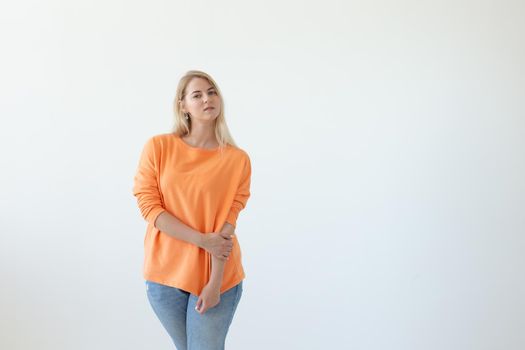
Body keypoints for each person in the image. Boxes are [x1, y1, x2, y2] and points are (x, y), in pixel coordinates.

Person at [132, 70, 252, 350]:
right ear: (182, 105)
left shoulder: (237, 160)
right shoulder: (158, 147)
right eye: (196, 95)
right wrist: (201, 240)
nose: (207, 99)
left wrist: (215, 282)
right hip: (164, 275)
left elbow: (228, 223)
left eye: (212, 92)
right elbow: (148, 206)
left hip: (216, 277)